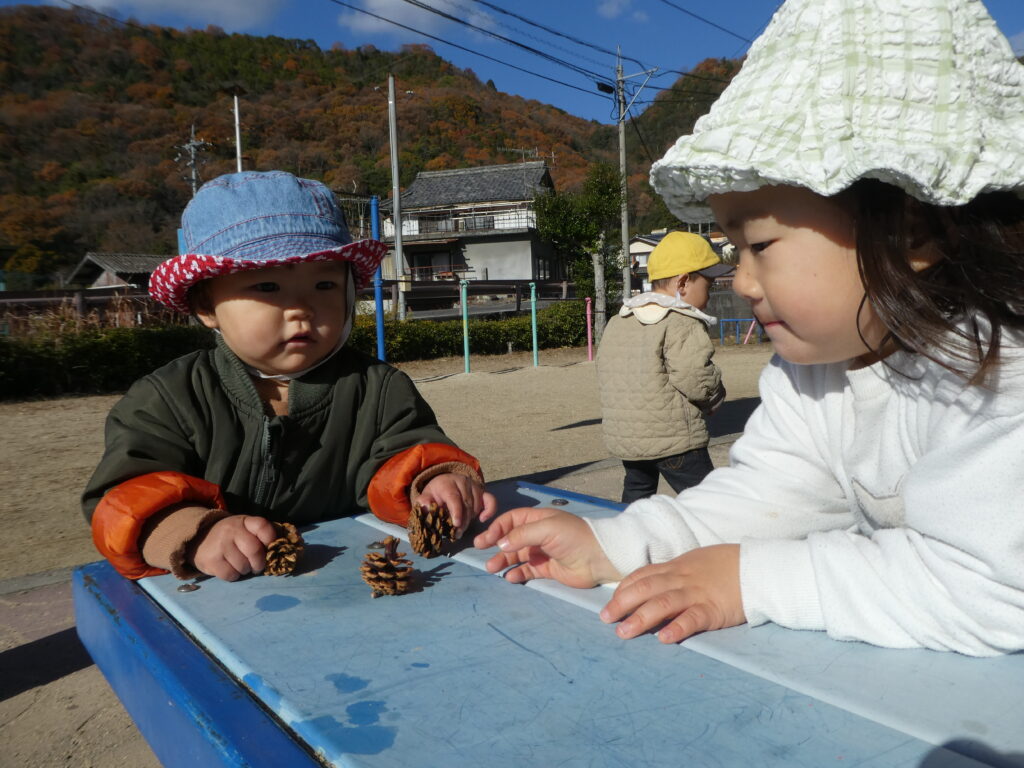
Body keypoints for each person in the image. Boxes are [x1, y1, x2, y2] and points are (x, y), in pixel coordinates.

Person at [475, 0, 1024, 656]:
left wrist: (750, 580)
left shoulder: (1000, 374)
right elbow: (773, 496)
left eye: (760, 245)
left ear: (913, 230)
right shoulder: (815, 368)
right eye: (735, 251)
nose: (741, 282)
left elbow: (996, 591)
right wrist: (618, 544)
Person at [83, 171, 496, 582]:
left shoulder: (377, 387)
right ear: (206, 306)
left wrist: (435, 483)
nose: (302, 308)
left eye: (324, 284)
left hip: (345, 580)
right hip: (214, 596)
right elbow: (125, 500)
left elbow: (408, 453)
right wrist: (192, 532)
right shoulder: (169, 397)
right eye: (267, 286)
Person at [596, 231, 731, 503]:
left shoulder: (620, 320)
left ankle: (628, 529)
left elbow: (606, 370)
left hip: (629, 437)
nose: (709, 295)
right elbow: (695, 375)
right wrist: (714, 397)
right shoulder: (681, 321)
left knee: (637, 494)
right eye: (708, 285)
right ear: (683, 282)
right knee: (708, 502)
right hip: (674, 438)